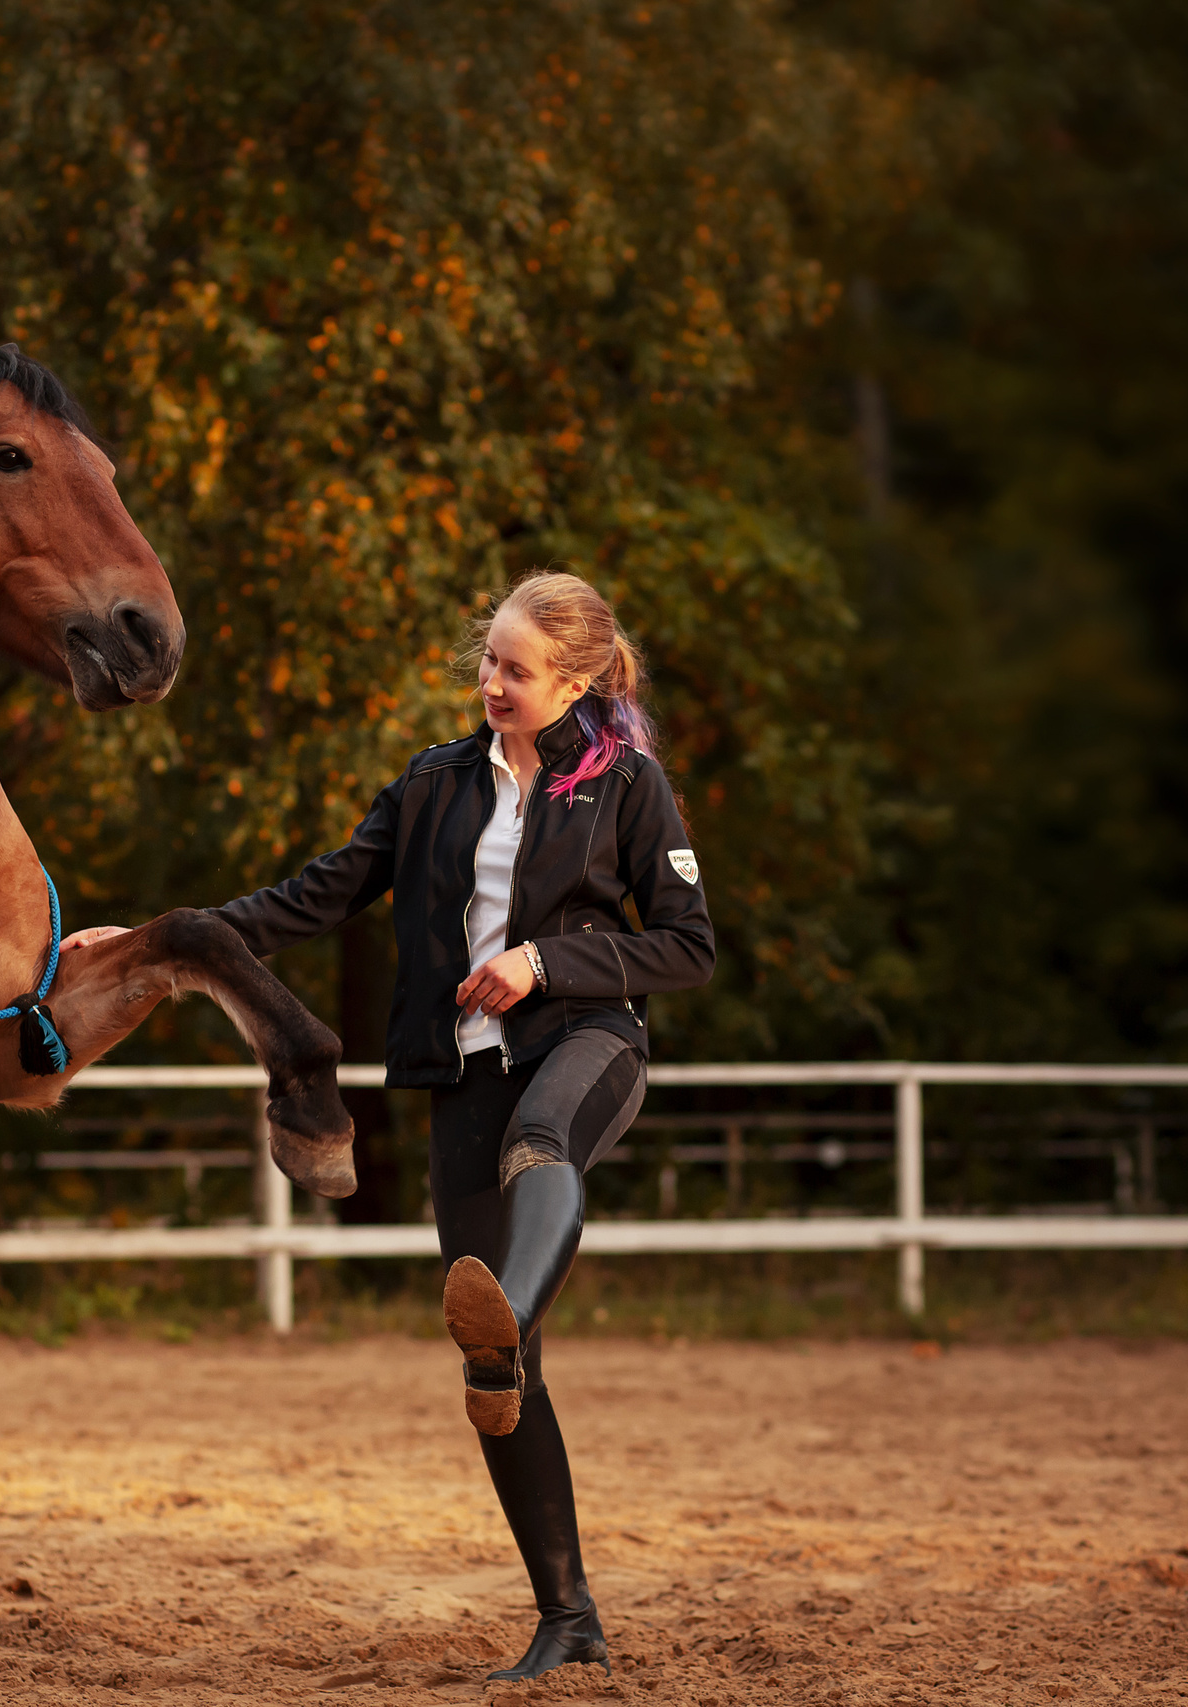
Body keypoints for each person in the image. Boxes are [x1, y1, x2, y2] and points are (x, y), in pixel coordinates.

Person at [70, 571, 715, 1681]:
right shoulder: (432, 784)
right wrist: (159, 940)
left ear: (575, 680)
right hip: (459, 1075)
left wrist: (542, 960)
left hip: (588, 1042)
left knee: (541, 1146)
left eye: (515, 670)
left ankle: (504, 1308)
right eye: (487, 663)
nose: (491, 683)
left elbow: (687, 946)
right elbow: (313, 895)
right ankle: (568, 1617)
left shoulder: (628, 788)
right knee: (501, 1377)